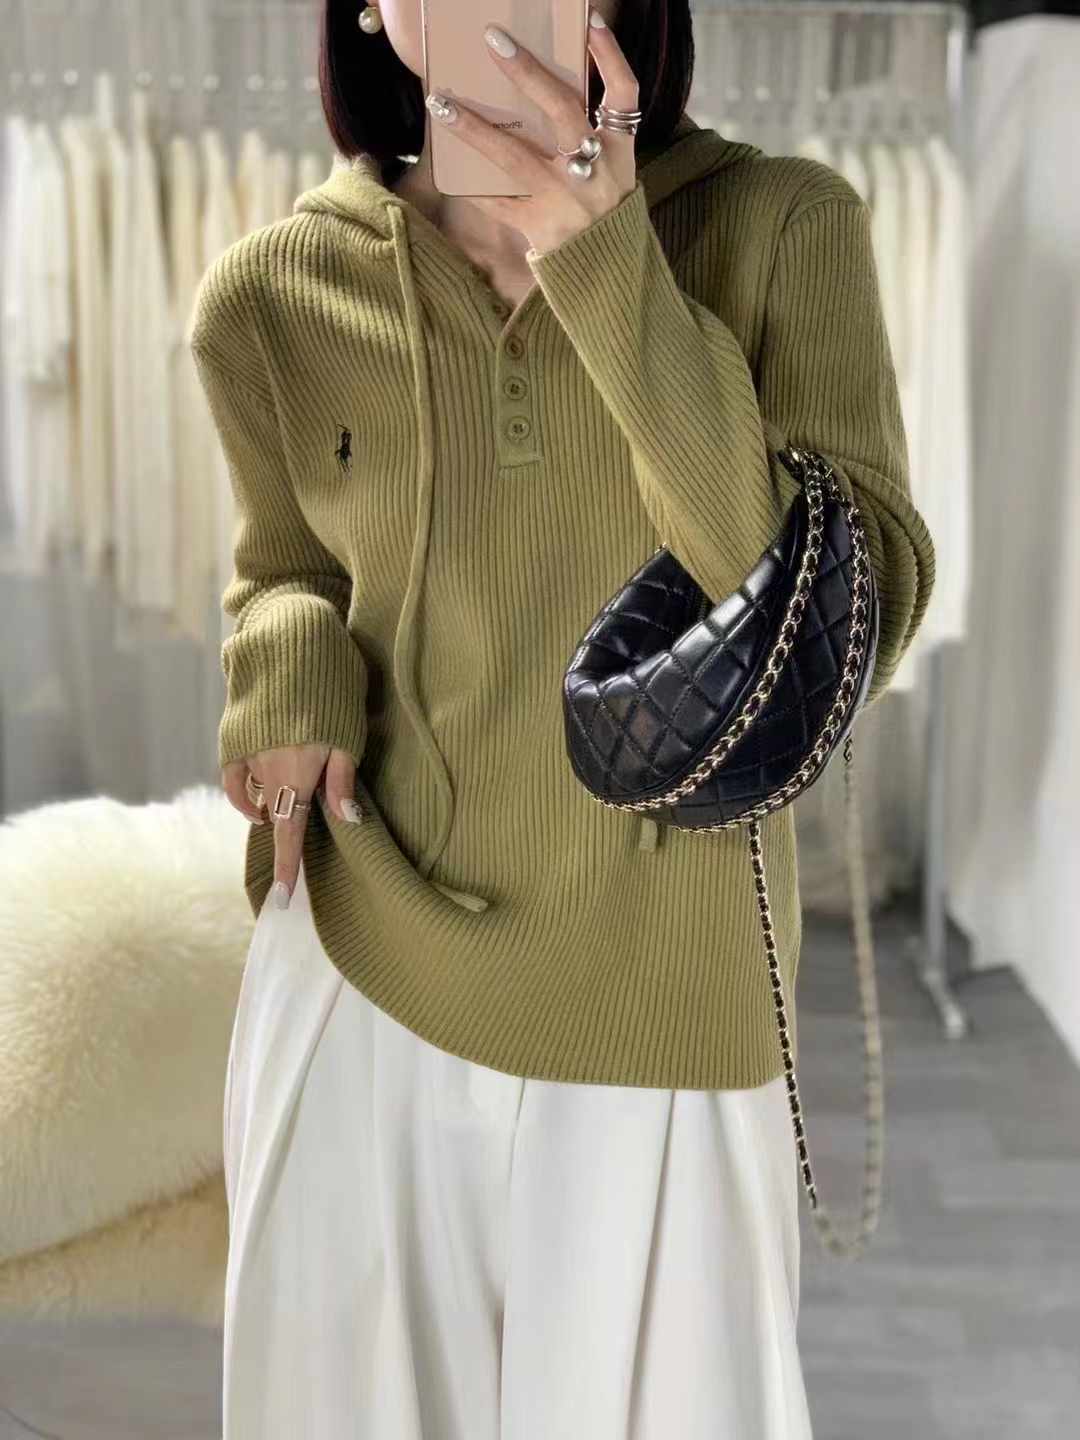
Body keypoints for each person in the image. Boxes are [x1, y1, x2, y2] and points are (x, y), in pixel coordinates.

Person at [190, 2, 936, 1436]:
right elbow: (289, 566)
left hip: (663, 998)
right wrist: (286, 668)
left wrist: (607, 265)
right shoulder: (274, 290)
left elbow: (854, 615)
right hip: (362, 970)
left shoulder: (782, 228)